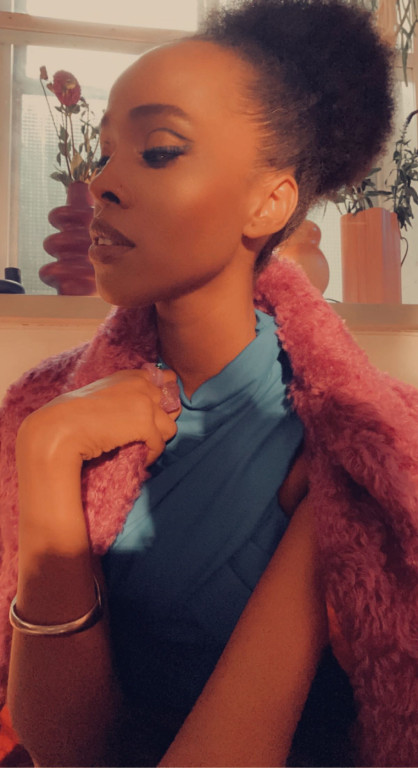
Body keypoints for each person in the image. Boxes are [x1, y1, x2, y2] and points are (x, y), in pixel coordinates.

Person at [1, 0, 417, 765]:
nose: (102, 183)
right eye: (105, 152)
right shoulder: (50, 405)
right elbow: (60, 748)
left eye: (159, 151)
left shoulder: (357, 446)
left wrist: (320, 532)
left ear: (269, 202)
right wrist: (48, 450)